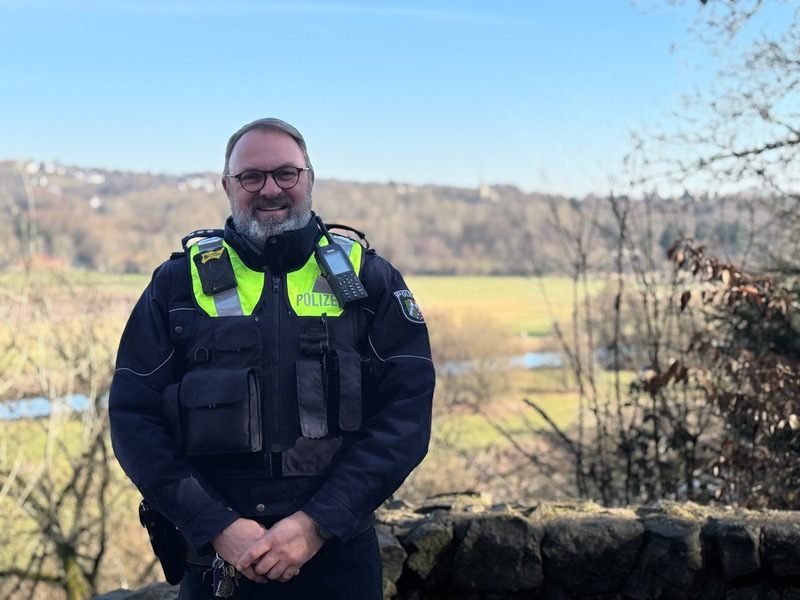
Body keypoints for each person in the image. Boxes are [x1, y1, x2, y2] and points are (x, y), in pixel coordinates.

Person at [109, 118, 435, 599]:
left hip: (337, 561)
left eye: (286, 173)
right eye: (251, 177)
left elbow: (405, 417)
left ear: (309, 178)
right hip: (219, 566)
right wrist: (215, 524)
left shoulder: (370, 279)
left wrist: (315, 524)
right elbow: (134, 419)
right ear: (227, 186)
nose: (270, 190)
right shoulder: (176, 285)